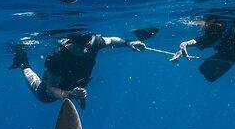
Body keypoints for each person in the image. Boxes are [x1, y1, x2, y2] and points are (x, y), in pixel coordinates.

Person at [9, 34, 146, 109]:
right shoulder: (57, 58)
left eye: (87, 47)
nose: (85, 51)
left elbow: (110, 40)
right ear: (71, 43)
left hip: (76, 85)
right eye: (80, 49)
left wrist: (129, 43)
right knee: (41, 93)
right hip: (53, 90)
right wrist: (69, 94)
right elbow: (51, 89)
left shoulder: (94, 43)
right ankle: (23, 61)